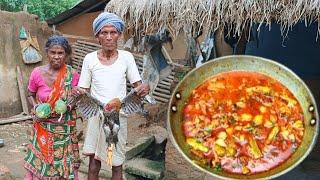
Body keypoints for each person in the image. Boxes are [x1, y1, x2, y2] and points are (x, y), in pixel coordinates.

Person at [78, 12, 150, 180]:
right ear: (97, 36)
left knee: (117, 164)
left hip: (118, 117)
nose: (109, 37)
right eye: (104, 32)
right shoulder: (90, 59)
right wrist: (77, 92)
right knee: (93, 163)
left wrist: (143, 89)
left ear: (119, 35)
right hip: (97, 116)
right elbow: (83, 88)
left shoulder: (126, 57)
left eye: (113, 32)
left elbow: (137, 85)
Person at [24, 35, 81, 180]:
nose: (56, 57)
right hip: (42, 127)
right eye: (53, 53)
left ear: (66, 54)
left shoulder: (72, 74)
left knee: (61, 163)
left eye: (60, 53)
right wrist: (37, 107)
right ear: (47, 53)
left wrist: (67, 106)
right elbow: (30, 93)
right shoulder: (37, 73)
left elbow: (78, 96)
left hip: (63, 129)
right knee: (42, 163)